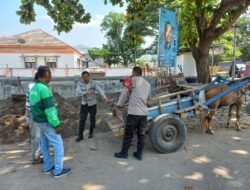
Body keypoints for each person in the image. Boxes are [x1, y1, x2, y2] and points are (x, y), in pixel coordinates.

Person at [29, 66, 71, 178]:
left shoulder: (34, 88)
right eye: (50, 73)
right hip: (47, 122)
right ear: (46, 74)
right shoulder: (44, 89)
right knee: (58, 145)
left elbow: (33, 107)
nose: (51, 76)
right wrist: (56, 124)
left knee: (44, 143)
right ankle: (58, 171)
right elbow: (50, 109)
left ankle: (47, 167)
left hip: (39, 121)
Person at [114, 66, 151, 161]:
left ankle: (124, 153)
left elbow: (124, 93)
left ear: (134, 72)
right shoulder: (147, 83)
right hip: (143, 113)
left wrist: (119, 104)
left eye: (132, 72)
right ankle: (139, 154)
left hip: (134, 113)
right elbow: (149, 100)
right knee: (141, 134)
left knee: (128, 134)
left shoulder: (131, 80)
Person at [76, 71, 110, 142]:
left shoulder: (93, 83)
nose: (85, 78)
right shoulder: (80, 83)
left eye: (87, 77)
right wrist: (86, 93)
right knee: (82, 120)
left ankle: (91, 132)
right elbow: (78, 92)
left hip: (92, 104)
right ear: (82, 77)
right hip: (84, 104)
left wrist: (105, 98)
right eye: (84, 77)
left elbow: (100, 90)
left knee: (92, 119)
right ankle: (80, 135)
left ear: (89, 76)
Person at [25, 72, 42, 165]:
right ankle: (36, 158)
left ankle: (39, 153)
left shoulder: (36, 86)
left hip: (34, 113)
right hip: (33, 114)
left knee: (38, 135)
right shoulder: (33, 87)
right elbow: (35, 103)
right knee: (36, 136)